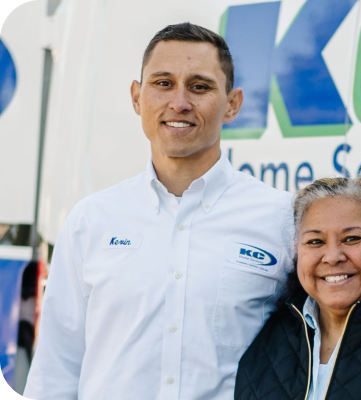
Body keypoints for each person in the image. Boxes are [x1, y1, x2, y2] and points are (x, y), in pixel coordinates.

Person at [23, 23, 293, 400]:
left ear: (232, 104)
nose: (179, 102)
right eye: (163, 83)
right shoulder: (92, 220)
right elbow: (56, 367)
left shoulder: (280, 220)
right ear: (137, 97)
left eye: (199, 86)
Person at [235, 178, 361, 399]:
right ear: (297, 249)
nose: (333, 257)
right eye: (315, 242)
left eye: (352, 238)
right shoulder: (269, 340)